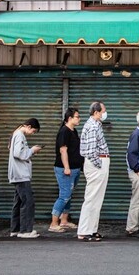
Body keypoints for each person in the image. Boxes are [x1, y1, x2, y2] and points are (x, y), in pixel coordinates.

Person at [77, 102, 109, 242]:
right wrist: (99, 164)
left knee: (97, 199)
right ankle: (84, 231)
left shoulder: (96, 125)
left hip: (99, 163)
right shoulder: (92, 126)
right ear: (96, 112)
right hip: (97, 164)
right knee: (91, 198)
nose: (105, 114)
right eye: (103, 111)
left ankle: (92, 229)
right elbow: (90, 151)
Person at [9, 118, 43, 239]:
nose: (32, 133)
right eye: (33, 131)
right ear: (28, 126)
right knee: (28, 201)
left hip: (18, 174)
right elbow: (19, 153)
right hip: (21, 174)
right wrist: (32, 150)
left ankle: (15, 229)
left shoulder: (16, 133)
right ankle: (25, 230)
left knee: (18, 202)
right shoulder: (19, 135)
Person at [50, 107, 82, 233]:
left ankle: (64, 220)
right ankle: (53, 223)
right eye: (77, 117)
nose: (79, 119)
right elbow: (63, 150)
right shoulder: (64, 132)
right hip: (65, 169)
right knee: (64, 196)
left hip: (75, 168)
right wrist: (67, 167)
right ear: (69, 118)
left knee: (68, 195)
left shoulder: (73, 131)